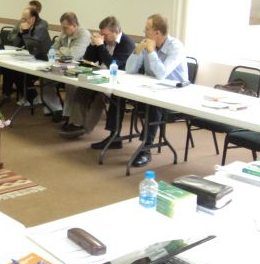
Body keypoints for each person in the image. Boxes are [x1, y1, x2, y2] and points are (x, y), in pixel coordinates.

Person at [124, 14, 188, 167]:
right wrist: (137, 51)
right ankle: (114, 137)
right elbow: (129, 70)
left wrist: (151, 52)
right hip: (152, 90)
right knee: (118, 96)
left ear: (157, 33)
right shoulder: (147, 44)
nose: (144, 32)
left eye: (147, 29)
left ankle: (146, 148)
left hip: (176, 93)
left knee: (153, 105)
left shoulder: (175, 47)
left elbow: (162, 74)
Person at [60, 16, 134, 144]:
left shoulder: (127, 43)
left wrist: (100, 46)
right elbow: (89, 59)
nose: (103, 37)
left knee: (100, 97)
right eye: (101, 34)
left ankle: (86, 128)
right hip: (100, 76)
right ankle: (77, 123)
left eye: (105, 34)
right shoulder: (103, 41)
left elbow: (112, 65)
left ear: (116, 32)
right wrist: (92, 45)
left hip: (117, 82)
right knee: (81, 90)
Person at [45, 12, 91, 122]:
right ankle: (56, 108)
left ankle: (69, 115)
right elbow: (52, 49)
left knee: (70, 83)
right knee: (45, 77)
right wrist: (63, 51)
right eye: (62, 27)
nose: (63, 30)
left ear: (74, 25)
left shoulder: (84, 35)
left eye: (66, 27)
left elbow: (74, 55)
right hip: (62, 64)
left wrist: (61, 50)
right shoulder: (64, 32)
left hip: (80, 67)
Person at [2, 7, 52, 102]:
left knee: (19, 72)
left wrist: (25, 31)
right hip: (32, 57)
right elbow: (15, 44)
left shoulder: (41, 27)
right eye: (22, 18)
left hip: (43, 59)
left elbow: (32, 46)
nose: (22, 20)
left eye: (25, 18)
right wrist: (20, 34)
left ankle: (32, 98)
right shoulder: (26, 24)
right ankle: (17, 95)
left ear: (33, 18)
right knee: (9, 68)